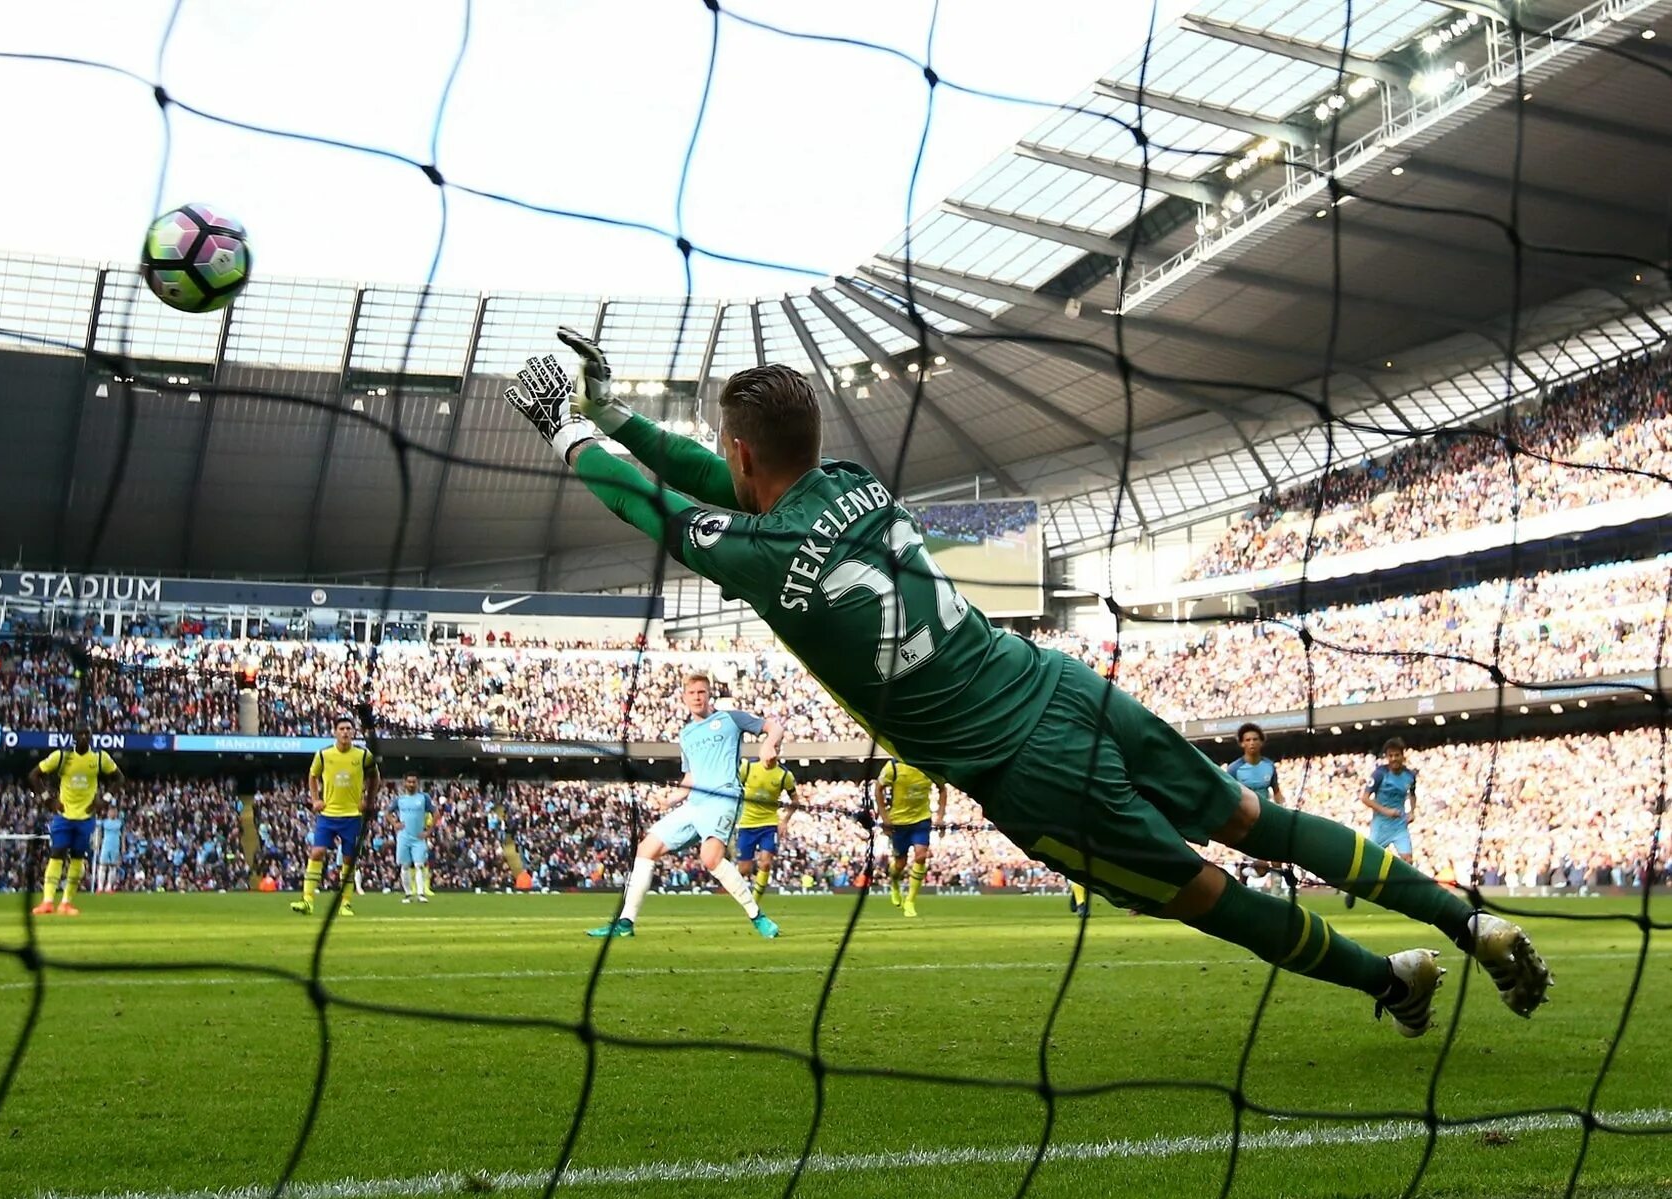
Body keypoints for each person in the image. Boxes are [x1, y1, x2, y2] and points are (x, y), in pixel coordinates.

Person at [506, 333, 1552, 1036]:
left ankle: (1390, 980)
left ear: (740, 451)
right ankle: (1470, 923)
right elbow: (703, 472)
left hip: (1024, 767)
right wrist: (611, 413)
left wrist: (570, 427)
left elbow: (655, 501)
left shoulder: (764, 558)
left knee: (1207, 893)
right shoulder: (854, 483)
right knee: (1251, 820)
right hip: (1056, 682)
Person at [586, 673, 783, 939]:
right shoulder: (687, 734)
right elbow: (690, 777)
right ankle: (625, 923)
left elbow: (774, 727)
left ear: (709, 693)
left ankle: (757, 917)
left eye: (701, 692)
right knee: (646, 848)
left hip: (723, 798)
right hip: (696, 803)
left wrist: (769, 744)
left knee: (710, 858)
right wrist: (669, 798)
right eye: (692, 693)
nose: (697, 697)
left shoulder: (731, 719)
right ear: (684, 697)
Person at [293, 715, 379, 918]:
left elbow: (375, 777)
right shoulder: (324, 755)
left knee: (349, 860)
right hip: (328, 814)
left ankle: (346, 904)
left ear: (353, 732)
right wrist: (315, 800)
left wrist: (369, 801)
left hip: (352, 816)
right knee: (317, 852)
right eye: (342, 729)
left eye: (349, 728)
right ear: (335, 732)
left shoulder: (363, 755)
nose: (346, 732)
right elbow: (312, 776)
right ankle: (307, 900)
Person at [29, 728, 118, 916]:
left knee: (78, 857)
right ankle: (47, 901)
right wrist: (48, 799)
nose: (84, 737)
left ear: (91, 736)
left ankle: (66, 902)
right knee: (57, 853)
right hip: (64, 815)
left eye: (87, 734)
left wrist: (104, 799)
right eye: (80, 734)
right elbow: (34, 775)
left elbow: (119, 778)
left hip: (85, 817)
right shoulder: (61, 756)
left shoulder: (99, 758)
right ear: (75, 737)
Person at [1348, 738, 1419, 909]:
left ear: (1403, 756)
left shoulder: (1410, 776)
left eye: (1397, 755)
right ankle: (1352, 889)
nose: (1394, 759)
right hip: (1381, 825)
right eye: (1390, 755)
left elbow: (1413, 794)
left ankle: (1406, 896)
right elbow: (1365, 798)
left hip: (1399, 825)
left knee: (1408, 860)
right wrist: (1385, 811)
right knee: (1367, 860)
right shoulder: (1380, 774)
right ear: (1387, 757)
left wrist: (1412, 811)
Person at [876, 758, 945, 918]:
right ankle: (894, 883)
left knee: (921, 856)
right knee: (900, 863)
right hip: (898, 822)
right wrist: (884, 817)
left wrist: (940, 816)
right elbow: (878, 788)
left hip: (921, 819)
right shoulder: (893, 767)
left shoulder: (930, 765)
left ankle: (910, 901)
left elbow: (942, 788)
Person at [1227, 724, 1288, 897]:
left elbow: (1277, 792)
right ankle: (1244, 872)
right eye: (1247, 740)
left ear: (1261, 742)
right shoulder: (1234, 769)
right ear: (1242, 744)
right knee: (1261, 867)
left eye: (1255, 739)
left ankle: (1277, 895)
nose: (1252, 743)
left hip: (1268, 816)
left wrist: (1284, 810)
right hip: (1245, 819)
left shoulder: (1269, 766)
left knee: (1277, 855)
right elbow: (1229, 794)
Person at [735, 756, 800, 905]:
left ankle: (754, 903)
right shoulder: (748, 767)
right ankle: (739, 893)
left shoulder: (784, 775)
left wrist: (784, 821)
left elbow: (795, 801)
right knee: (743, 869)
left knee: (765, 863)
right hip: (747, 825)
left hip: (769, 824)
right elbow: (734, 786)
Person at [391, 773, 435, 903]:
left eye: (413, 782)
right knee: (404, 866)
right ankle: (408, 894)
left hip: (418, 837)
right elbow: (387, 812)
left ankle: (421, 893)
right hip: (403, 837)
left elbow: (436, 813)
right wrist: (395, 823)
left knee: (419, 865)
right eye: (409, 782)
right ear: (404, 783)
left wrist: (429, 831)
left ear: (417, 783)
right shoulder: (400, 799)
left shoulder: (423, 798)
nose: (411, 784)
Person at [93, 806, 124, 895]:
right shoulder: (104, 823)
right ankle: (100, 886)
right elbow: (99, 834)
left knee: (113, 867)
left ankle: (109, 886)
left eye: (115, 811)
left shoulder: (120, 823)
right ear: (108, 812)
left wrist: (123, 847)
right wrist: (97, 844)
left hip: (115, 846)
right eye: (111, 811)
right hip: (106, 846)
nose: (113, 813)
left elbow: (123, 835)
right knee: (102, 866)